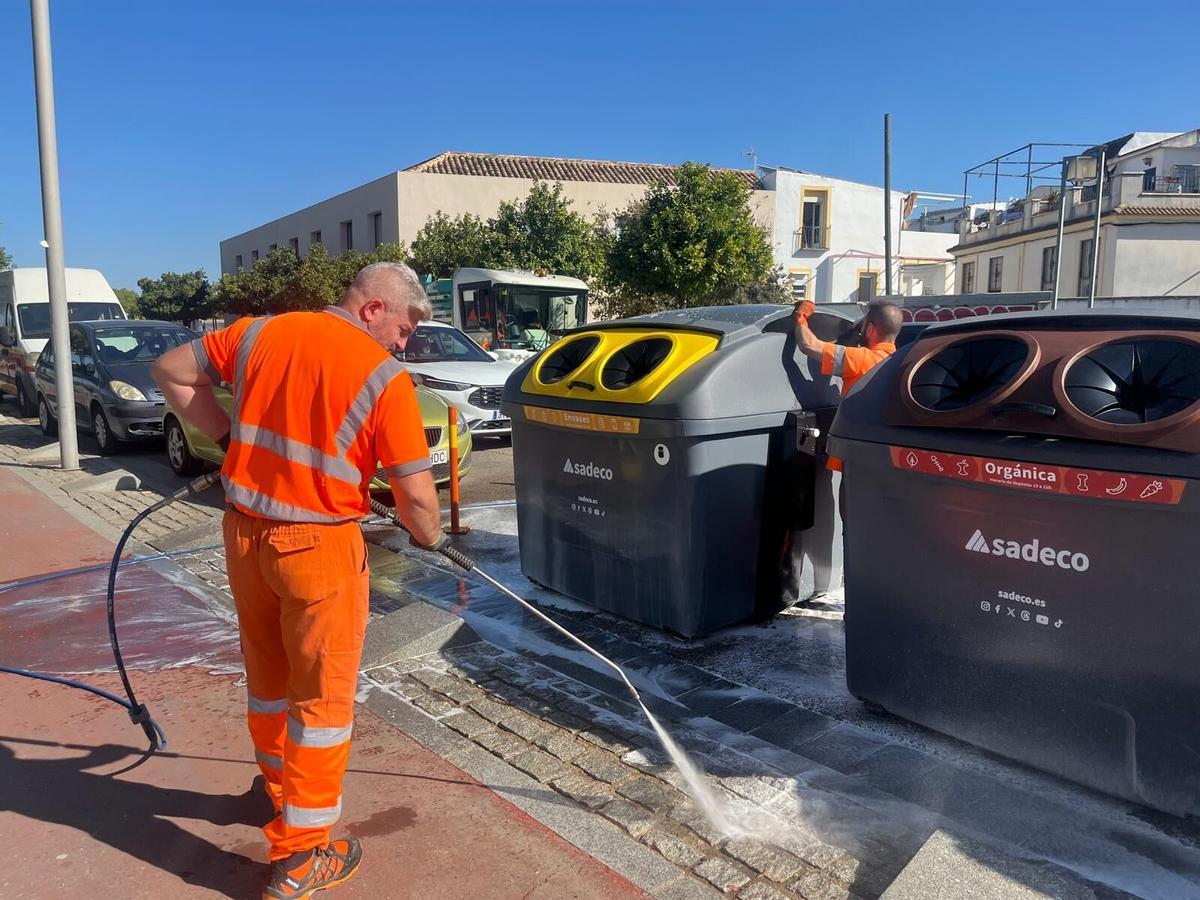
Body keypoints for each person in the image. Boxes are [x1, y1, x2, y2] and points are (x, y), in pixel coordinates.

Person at [152, 262, 445, 899]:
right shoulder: (385, 378)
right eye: (404, 326)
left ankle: (280, 793)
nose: (404, 343)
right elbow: (419, 505)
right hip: (319, 549)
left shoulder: (260, 333)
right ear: (373, 308)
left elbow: (170, 371)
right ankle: (303, 854)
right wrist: (434, 540)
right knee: (321, 705)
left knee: (270, 681)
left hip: (246, 537)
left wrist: (228, 440)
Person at [794, 298, 902, 473]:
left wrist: (801, 317)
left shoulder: (862, 359)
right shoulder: (901, 362)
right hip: (885, 457)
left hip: (856, 457)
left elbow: (808, 345)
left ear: (870, 329)